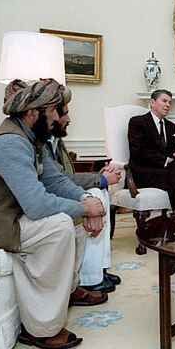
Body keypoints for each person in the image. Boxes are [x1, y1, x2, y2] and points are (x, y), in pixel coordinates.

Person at [0, 78, 108, 349]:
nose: (58, 116)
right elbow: (37, 205)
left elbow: (56, 182)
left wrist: (86, 200)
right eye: (53, 110)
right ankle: (41, 329)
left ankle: (66, 290)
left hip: (4, 218)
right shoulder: (8, 142)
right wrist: (84, 208)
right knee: (60, 226)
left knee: (75, 219)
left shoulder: (32, 138)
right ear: (33, 113)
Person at [46, 87, 122, 293]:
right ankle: (89, 277)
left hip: (61, 190)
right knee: (97, 193)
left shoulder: (55, 139)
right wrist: (100, 178)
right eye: (65, 113)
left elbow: (67, 174)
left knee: (101, 192)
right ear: (51, 115)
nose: (69, 119)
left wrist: (101, 176)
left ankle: (100, 267)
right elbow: (60, 179)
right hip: (51, 196)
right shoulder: (41, 143)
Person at [128, 89, 175, 212]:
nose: (168, 105)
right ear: (152, 102)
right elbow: (138, 151)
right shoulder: (137, 122)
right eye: (164, 101)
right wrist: (166, 160)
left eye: (170, 102)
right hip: (144, 171)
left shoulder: (172, 127)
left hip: (166, 171)